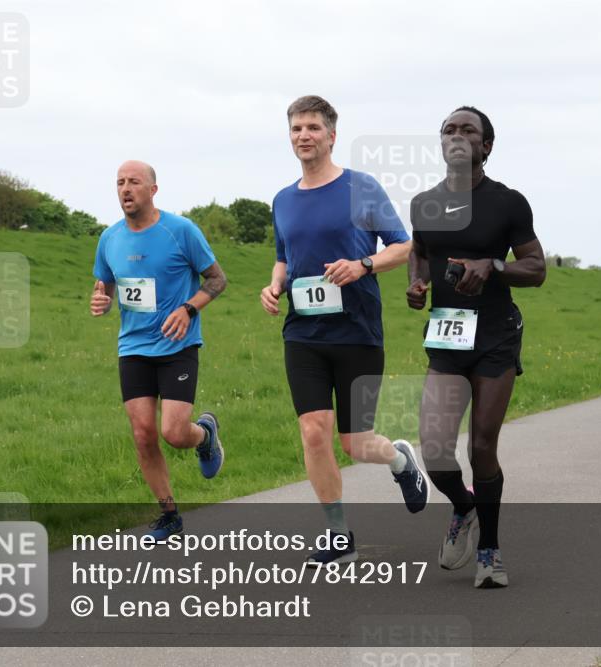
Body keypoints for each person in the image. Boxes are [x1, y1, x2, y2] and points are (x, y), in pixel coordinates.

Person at [259, 95, 427, 566]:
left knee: (355, 444)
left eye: (312, 127)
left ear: (331, 135)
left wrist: (362, 265)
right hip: (303, 333)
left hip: (356, 331)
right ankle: (337, 533)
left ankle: (398, 459)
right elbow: (283, 257)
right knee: (314, 432)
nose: (303, 136)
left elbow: (404, 246)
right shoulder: (283, 200)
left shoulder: (361, 188)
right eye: (296, 129)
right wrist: (274, 286)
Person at [407, 106, 546, 589]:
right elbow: (420, 251)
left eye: (469, 130)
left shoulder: (508, 203)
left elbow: (537, 269)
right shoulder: (424, 203)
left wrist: (495, 265)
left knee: (482, 443)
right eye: (449, 129)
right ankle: (464, 508)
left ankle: (489, 548)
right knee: (435, 450)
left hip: (495, 336)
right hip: (447, 335)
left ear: (486, 146)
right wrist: (417, 284)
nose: (457, 135)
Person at [91, 160, 226, 539]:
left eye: (134, 182)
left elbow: (217, 278)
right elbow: (105, 286)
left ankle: (205, 435)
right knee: (142, 434)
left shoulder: (180, 231)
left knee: (174, 432)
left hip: (177, 345)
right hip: (133, 347)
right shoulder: (109, 238)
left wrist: (189, 308)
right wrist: (100, 301)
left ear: (153, 189)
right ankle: (169, 515)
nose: (125, 189)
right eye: (119, 182)